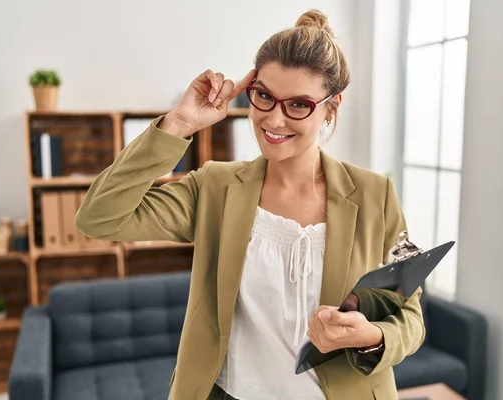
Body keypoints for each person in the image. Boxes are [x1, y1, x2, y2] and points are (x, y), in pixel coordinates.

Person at [75, 9, 425, 400]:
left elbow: (409, 316)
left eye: (298, 105)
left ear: (332, 106)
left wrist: (374, 336)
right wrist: (179, 124)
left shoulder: (374, 195)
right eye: (264, 97)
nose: (274, 120)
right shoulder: (215, 187)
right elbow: (99, 217)